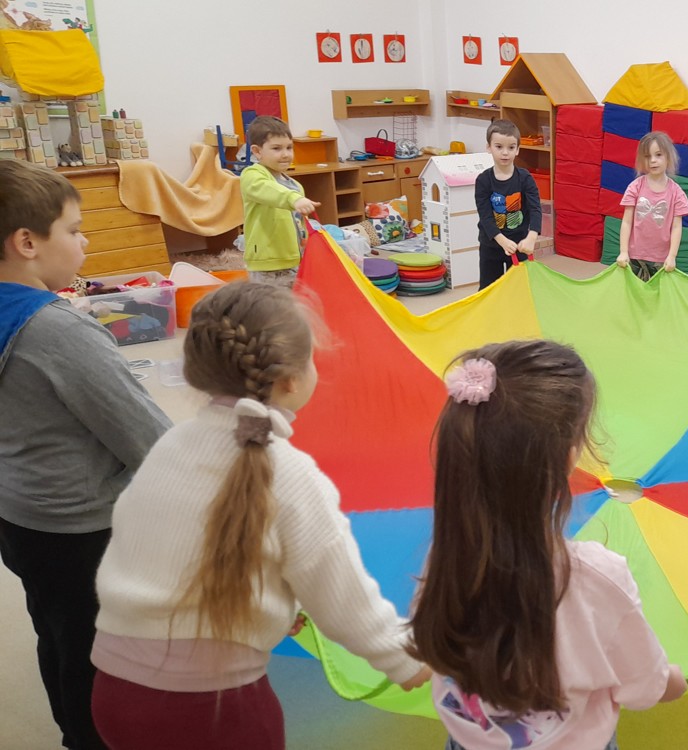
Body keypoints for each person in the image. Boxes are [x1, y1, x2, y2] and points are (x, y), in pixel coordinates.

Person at [90, 283, 429, 748]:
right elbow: (343, 597)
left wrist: (269, 604)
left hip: (114, 692)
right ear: (291, 380)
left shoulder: (170, 445)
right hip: (211, 710)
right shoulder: (290, 473)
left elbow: (153, 549)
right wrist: (403, 659)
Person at [410, 340, 686, 749]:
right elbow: (645, 687)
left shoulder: (448, 557)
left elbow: (431, 647)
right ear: (569, 458)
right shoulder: (598, 578)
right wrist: (674, 680)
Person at [0, 160, 171, 750]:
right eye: (74, 230)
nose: (86, 242)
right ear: (27, 243)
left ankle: (74, 730)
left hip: (20, 515)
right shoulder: (58, 332)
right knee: (99, 653)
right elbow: (148, 438)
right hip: (82, 529)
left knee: (58, 632)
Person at [241, 116, 318, 287]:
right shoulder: (252, 175)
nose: (285, 154)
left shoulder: (294, 185)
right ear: (257, 151)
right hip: (267, 263)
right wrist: (294, 199)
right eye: (276, 148)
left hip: (294, 259)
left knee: (293, 301)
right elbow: (269, 190)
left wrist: (307, 244)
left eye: (289, 147)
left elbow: (299, 223)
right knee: (269, 302)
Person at [475, 119, 542, 290]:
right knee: (490, 290)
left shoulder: (525, 178)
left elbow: (535, 209)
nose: (505, 153)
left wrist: (531, 237)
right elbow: (486, 217)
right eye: (499, 147)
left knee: (520, 289)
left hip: (520, 244)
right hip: (492, 245)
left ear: (517, 149)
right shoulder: (483, 180)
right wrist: (502, 241)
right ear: (489, 147)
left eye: (511, 147)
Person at [616, 131, 688, 281]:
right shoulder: (635, 187)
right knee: (635, 291)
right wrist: (623, 251)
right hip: (635, 255)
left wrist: (672, 256)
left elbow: (677, 227)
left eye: (658, 155)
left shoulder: (676, 193)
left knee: (659, 292)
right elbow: (626, 221)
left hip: (662, 259)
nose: (653, 161)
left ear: (668, 157)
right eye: (647, 156)